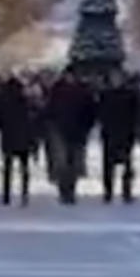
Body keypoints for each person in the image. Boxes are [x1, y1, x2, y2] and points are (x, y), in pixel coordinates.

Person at [45, 68, 96, 204]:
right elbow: (49, 109)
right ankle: (63, 191)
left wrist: (86, 127)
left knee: (73, 162)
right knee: (62, 162)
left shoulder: (83, 91)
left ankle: (71, 190)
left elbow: (90, 111)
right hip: (59, 130)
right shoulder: (57, 90)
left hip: (77, 131)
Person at [98, 71, 139, 204]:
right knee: (108, 165)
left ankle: (127, 191)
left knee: (127, 164)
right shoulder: (105, 95)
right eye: (114, 79)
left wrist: (135, 129)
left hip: (126, 133)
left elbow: (136, 113)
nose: (117, 81)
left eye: (119, 79)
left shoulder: (130, 95)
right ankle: (108, 191)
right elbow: (100, 112)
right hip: (109, 133)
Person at [0, 76, 34, 206]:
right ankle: (24, 193)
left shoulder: (2, 101)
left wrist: (3, 128)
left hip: (8, 137)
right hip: (23, 137)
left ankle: (6, 194)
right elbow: (32, 117)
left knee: (7, 167)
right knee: (24, 167)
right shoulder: (25, 100)